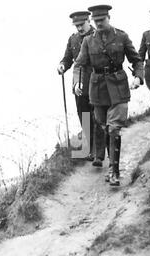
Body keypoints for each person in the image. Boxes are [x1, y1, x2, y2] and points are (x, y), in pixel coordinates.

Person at [76, 4, 143, 186]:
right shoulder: (88, 41)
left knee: (114, 129)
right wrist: (78, 82)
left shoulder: (121, 36)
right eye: (96, 21)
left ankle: (114, 171)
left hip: (118, 86)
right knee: (105, 127)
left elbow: (136, 60)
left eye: (101, 20)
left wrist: (138, 77)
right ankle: (109, 164)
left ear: (108, 18)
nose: (98, 24)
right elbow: (79, 63)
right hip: (97, 89)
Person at [58, 11, 97, 161]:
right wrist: (62, 65)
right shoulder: (73, 39)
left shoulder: (97, 35)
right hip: (79, 85)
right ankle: (89, 149)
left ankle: (99, 150)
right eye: (77, 25)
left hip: (96, 81)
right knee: (84, 115)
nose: (79, 28)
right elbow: (68, 58)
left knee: (99, 117)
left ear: (88, 21)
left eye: (82, 24)